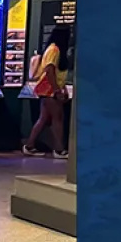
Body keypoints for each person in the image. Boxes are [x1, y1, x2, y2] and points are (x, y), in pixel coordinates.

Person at [23, 25, 71, 159]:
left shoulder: (53, 49)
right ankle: (59, 149)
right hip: (49, 89)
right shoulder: (54, 50)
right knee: (57, 118)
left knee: (43, 118)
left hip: (48, 89)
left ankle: (29, 145)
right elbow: (49, 71)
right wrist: (57, 89)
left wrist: (63, 87)